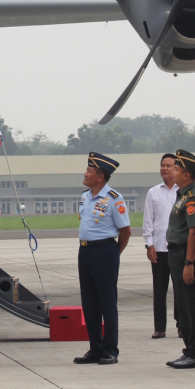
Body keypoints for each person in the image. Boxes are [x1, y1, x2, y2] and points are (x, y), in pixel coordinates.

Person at [74, 152, 131, 365]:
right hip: (85, 252)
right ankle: (95, 348)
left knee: (107, 302)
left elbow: (125, 231)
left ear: (100, 176)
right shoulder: (85, 196)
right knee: (89, 303)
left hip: (105, 251)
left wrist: (114, 254)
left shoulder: (114, 199)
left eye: (89, 171)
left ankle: (110, 350)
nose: (85, 173)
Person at [165, 149, 195, 369]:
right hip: (176, 253)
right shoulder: (182, 195)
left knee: (190, 304)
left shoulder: (192, 198)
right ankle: (189, 349)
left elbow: (194, 232)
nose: (172, 172)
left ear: (187, 175)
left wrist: (189, 263)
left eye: (177, 169)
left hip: (185, 254)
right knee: (183, 304)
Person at [143, 153, 179, 339]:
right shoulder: (153, 192)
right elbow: (148, 221)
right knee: (159, 290)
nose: (164, 168)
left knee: (181, 289)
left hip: (178, 248)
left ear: (176, 168)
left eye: (169, 165)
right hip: (159, 249)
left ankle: (182, 325)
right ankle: (160, 327)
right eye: (162, 165)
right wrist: (149, 245)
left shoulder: (183, 191)